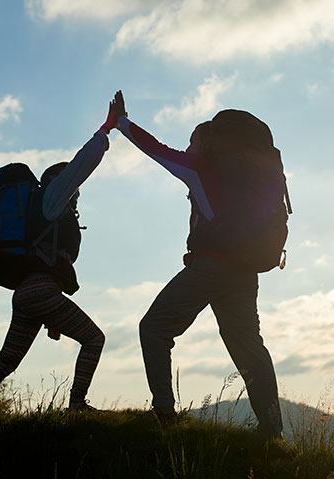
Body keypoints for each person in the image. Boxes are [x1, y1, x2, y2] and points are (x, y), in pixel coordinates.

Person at [113, 91, 285, 437]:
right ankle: (272, 429)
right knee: (250, 347)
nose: (188, 149)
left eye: (192, 143)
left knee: (154, 327)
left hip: (211, 268)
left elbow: (157, 151)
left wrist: (121, 123)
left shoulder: (201, 167)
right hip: (245, 270)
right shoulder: (247, 173)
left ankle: (163, 411)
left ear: (206, 143)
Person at [0, 97, 123, 415]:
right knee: (94, 339)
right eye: (71, 189)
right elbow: (82, 165)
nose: (75, 195)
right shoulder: (50, 199)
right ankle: (77, 406)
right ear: (59, 183)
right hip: (39, 292)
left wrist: (52, 319)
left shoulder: (37, 211)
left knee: (5, 362)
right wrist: (106, 129)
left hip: (26, 294)